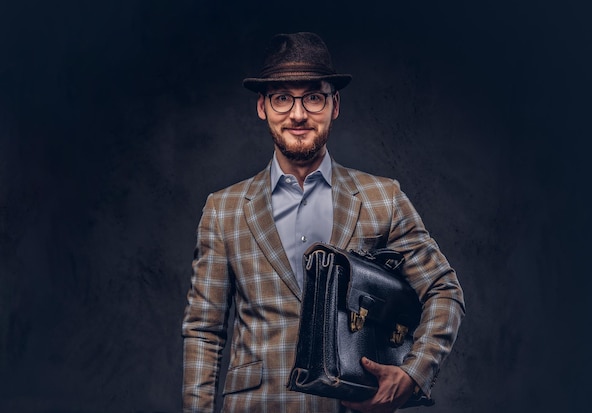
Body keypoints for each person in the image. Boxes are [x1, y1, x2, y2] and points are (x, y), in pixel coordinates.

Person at [182, 32, 465, 413]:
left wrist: (413, 374)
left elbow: (444, 289)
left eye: (313, 96)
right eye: (283, 97)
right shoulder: (223, 209)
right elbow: (205, 331)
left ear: (335, 105)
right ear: (262, 107)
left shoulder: (383, 198)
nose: (298, 114)